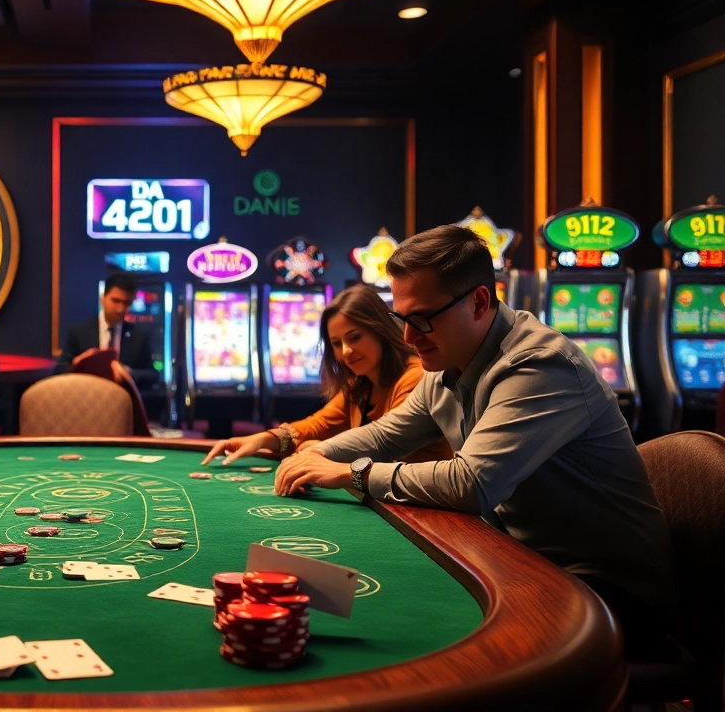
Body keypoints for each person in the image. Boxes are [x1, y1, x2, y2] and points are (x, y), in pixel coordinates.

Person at [268, 225, 675, 655]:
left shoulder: (539, 364)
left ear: (479, 301)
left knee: (431, 644)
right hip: (524, 559)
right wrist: (316, 454)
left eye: (422, 318)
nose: (408, 338)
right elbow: (387, 435)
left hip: (609, 594)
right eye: (400, 319)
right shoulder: (446, 363)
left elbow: (471, 485)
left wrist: (351, 473)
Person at [205, 286, 452, 466]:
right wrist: (263, 439)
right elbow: (317, 424)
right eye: (336, 343)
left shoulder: (415, 377)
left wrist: (321, 451)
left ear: (381, 332)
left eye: (355, 337)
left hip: (422, 513)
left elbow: (389, 451)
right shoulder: (360, 384)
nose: (346, 351)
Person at [55, 272, 158, 387]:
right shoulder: (79, 332)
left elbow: (152, 375)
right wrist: (77, 365)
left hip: (123, 399)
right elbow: (60, 369)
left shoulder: (139, 336)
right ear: (102, 299)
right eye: (116, 301)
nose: (120, 309)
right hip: (88, 397)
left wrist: (129, 373)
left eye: (127, 303)